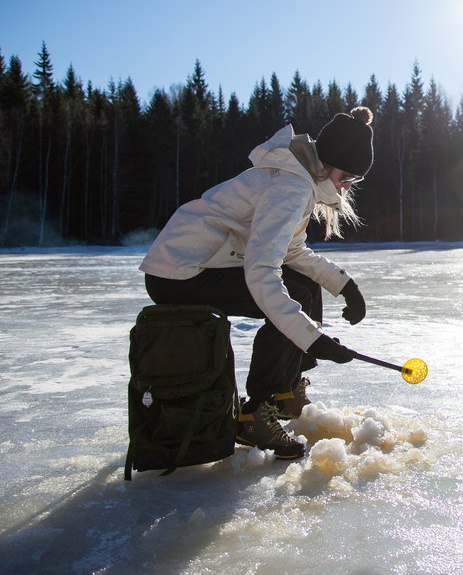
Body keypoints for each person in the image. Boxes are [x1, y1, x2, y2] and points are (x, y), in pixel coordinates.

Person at [139, 106, 375, 460]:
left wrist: (344, 285)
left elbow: (292, 251)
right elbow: (262, 271)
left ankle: (285, 390)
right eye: (348, 176)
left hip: (199, 262)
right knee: (293, 292)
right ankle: (256, 412)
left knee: (305, 285)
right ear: (330, 160)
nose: (347, 186)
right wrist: (313, 339)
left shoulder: (298, 177)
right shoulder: (291, 188)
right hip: (179, 273)